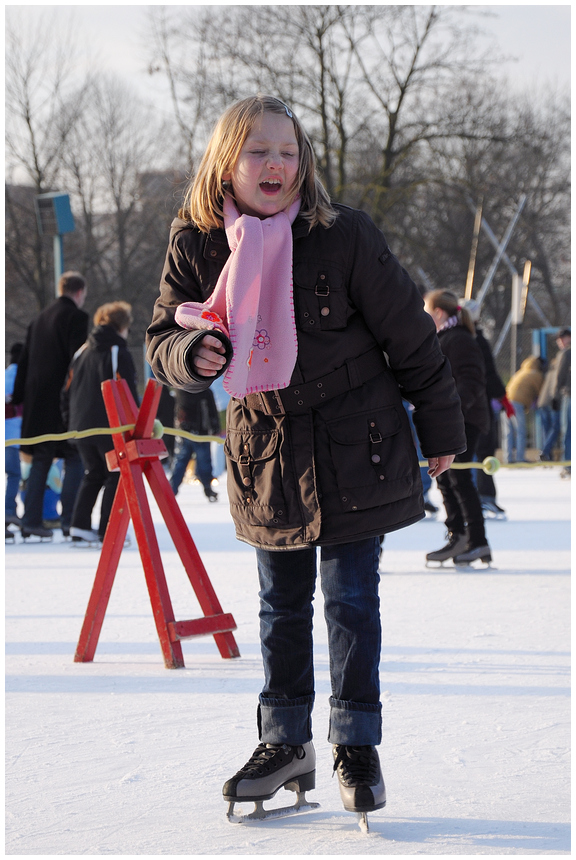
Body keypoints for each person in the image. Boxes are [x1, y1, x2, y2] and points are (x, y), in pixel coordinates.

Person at [145, 95, 465, 822]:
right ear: (228, 159)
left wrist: (441, 425)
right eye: (259, 151)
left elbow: (410, 337)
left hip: (359, 440)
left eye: (288, 151)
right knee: (279, 606)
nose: (277, 165)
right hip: (266, 450)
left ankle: (356, 742)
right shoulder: (196, 242)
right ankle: (284, 743)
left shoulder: (342, 233)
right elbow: (162, 337)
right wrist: (189, 353)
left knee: (350, 600)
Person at [11, 272, 89, 540]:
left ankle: (31, 519)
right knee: (74, 457)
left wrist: (19, 396)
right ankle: (70, 519)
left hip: (36, 403)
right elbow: (76, 361)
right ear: (80, 292)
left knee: (41, 461)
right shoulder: (77, 317)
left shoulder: (38, 319)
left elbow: (24, 361)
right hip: (61, 403)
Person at [61, 302, 139, 545]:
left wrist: (70, 421)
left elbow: (66, 389)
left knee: (93, 473)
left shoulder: (81, 351)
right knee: (115, 475)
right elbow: (126, 389)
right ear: (122, 325)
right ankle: (109, 530)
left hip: (80, 424)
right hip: (109, 425)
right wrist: (134, 422)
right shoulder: (117, 351)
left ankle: (79, 526)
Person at [423, 290, 492, 567]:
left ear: (439, 312)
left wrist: (449, 410)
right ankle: (460, 535)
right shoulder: (445, 338)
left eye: (426, 309)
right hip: (451, 418)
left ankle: (476, 541)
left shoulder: (460, 338)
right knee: (445, 478)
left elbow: (472, 381)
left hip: (464, 419)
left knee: (459, 479)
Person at [460, 298, 513, 519]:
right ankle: (482, 498)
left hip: (471, 404)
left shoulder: (463, 337)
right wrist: (501, 395)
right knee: (480, 453)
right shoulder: (474, 339)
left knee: (476, 454)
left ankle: (482, 498)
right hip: (477, 406)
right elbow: (488, 372)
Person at [169, 388, 220, 501]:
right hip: (199, 431)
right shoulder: (204, 390)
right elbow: (211, 409)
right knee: (202, 463)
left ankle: (171, 491)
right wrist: (215, 426)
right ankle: (207, 488)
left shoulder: (180, 387)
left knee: (182, 462)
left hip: (186, 431)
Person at [505, 355, 545, 463]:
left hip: (507, 401)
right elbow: (541, 392)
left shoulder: (522, 371)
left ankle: (508, 458)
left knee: (509, 431)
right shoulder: (536, 374)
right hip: (517, 403)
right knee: (521, 431)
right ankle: (520, 458)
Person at [5, 343, 24, 536]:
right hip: (13, 436)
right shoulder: (21, 377)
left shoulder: (4, 375)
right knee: (14, 475)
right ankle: (8, 511)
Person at [552, 328, 570, 476]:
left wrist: (556, 396)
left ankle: (568, 464)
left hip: (569, 395)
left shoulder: (567, 352)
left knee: (568, 431)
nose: (559, 343)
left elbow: (561, 375)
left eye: (560, 339)